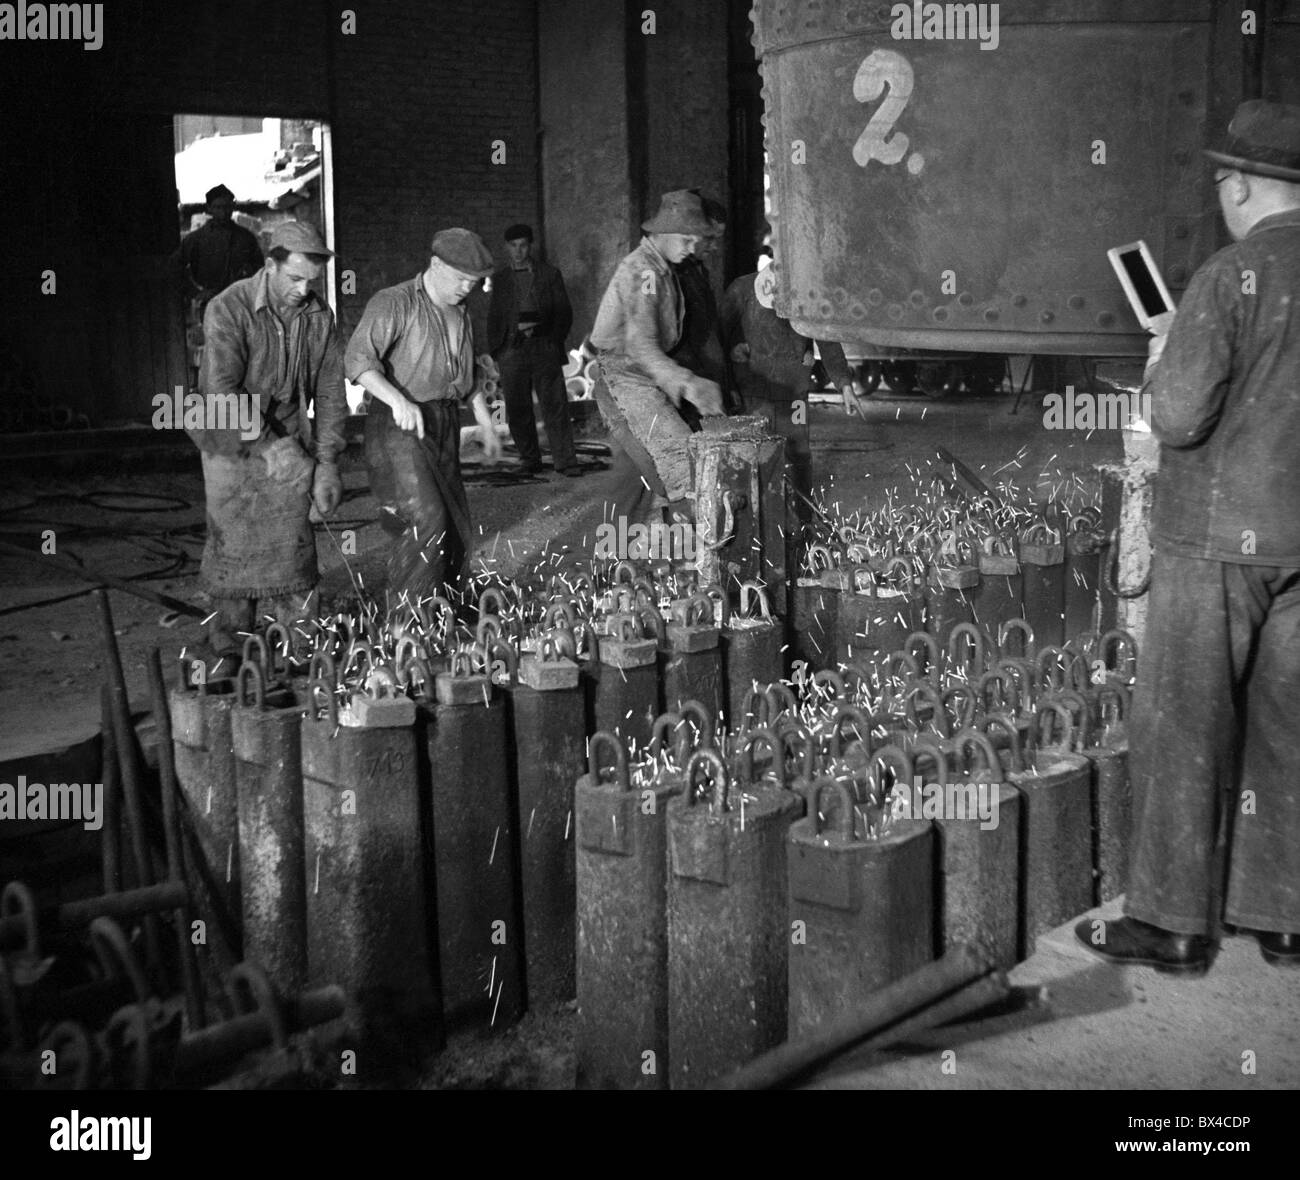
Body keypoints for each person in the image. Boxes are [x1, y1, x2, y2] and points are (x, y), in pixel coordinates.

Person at [1075, 100, 1300, 974]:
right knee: (1288, 727)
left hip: (1216, 544)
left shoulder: (1227, 277)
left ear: (1241, 187)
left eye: (1222, 184)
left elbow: (1177, 416)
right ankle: (1281, 918)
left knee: (1184, 726)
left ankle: (1172, 923)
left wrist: (1168, 354)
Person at [189, 220, 346, 662]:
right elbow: (220, 389)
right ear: (270, 264)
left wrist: (328, 460)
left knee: (293, 558)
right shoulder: (228, 307)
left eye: (311, 281)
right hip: (231, 446)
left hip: (290, 440)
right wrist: (273, 447)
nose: (303, 289)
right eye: (294, 278)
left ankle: (299, 656)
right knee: (234, 553)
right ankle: (231, 654)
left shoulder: (320, 317)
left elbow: (332, 392)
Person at [345, 228, 502, 602]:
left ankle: (447, 605)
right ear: (435, 265)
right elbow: (357, 360)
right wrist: (397, 401)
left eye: (474, 281)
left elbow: (468, 376)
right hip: (398, 425)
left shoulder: (461, 313)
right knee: (425, 519)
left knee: (455, 520)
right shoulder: (394, 302)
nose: (467, 287)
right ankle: (410, 622)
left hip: (443, 422)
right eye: (461, 278)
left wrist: (485, 421)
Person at [590, 190, 725, 519]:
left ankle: (619, 558)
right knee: (680, 464)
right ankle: (615, 559)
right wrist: (687, 382)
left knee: (635, 473)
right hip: (623, 377)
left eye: (696, 240)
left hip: (641, 375)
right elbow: (640, 345)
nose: (692, 249)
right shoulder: (644, 273)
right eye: (685, 240)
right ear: (661, 234)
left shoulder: (662, 267)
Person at [486, 223, 579, 476]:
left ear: (530, 245)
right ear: (507, 248)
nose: (518, 251)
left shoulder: (549, 274)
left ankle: (566, 462)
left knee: (555, 405)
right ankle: (530, 460)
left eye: (523, 245)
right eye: (513, 246)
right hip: (512, 350)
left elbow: (563, 312)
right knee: (517, 408)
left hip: (543, 347)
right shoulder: (501, 279)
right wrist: (498, 350)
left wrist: (552, 341)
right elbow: (494, 317)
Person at [175, 183, 264, 377]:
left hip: (241, 303)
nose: (223, 212)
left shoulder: (245, 238)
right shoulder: (196, 239)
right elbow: (176, 268)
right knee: (214, 351)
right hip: (210, 302)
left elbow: (260, 269)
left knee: (242, 350)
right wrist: (195, 292)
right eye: (217, 207)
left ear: (233, 207)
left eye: (227, 207)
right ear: (208, 209)